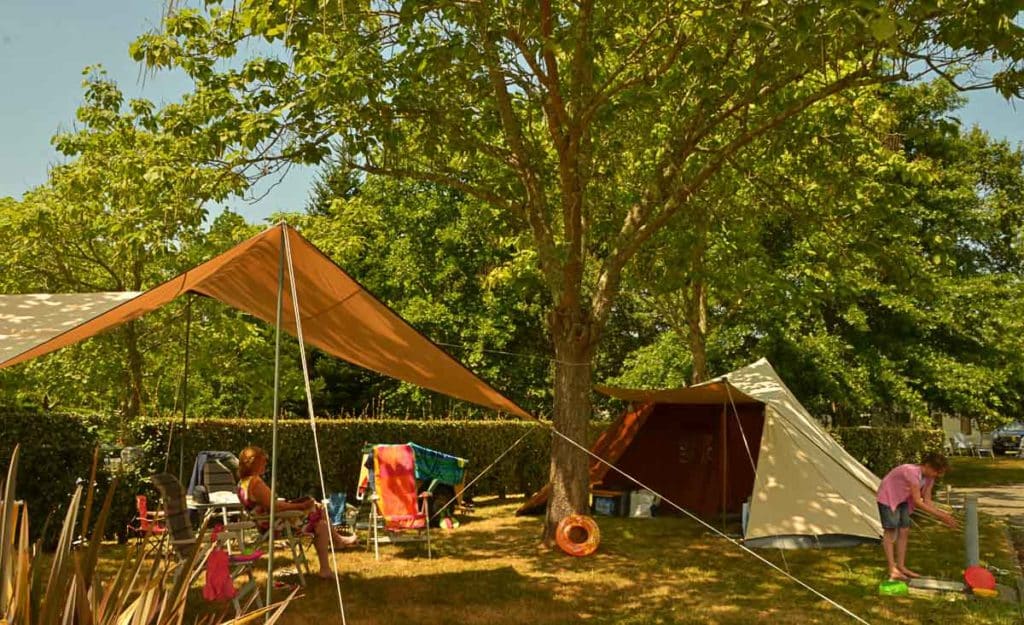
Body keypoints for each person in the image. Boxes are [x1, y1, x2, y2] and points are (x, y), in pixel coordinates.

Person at [237, 446, 357, 579]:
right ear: (254, 463)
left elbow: (267, 505)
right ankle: (336, 545)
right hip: (277, 526)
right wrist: (300, 506)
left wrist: (296, 504)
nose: (265, 463)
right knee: (318, 515)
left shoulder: (243, 483)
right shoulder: (255, 483)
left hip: (269, 523)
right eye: (263, 461)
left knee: (319, 517)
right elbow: (275, 507)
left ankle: (334, 548)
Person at [876, 452, 959, 581]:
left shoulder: (929, 478)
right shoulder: (912, 472)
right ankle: (892, 569)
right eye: (937, 471)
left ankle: (901, 566)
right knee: (890, 532)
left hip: (903, 499)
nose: (938, 475)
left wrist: (942, 514)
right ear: (927, 465)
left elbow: (927, 500)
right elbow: (917, 501)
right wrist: (942, 516)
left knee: (904, 530)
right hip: (887, 497)